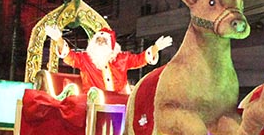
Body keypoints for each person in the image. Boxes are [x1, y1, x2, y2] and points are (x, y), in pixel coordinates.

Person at [44, 24, 172, 94]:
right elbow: (69, 56)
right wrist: (59, 40)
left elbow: (140, 59)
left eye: (103, 40)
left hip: (119, 101)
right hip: (93, 101)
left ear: (111, 44)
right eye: (98, 40)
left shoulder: (122, 58)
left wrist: (156, 48)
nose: (100, 42)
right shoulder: (85, 59)